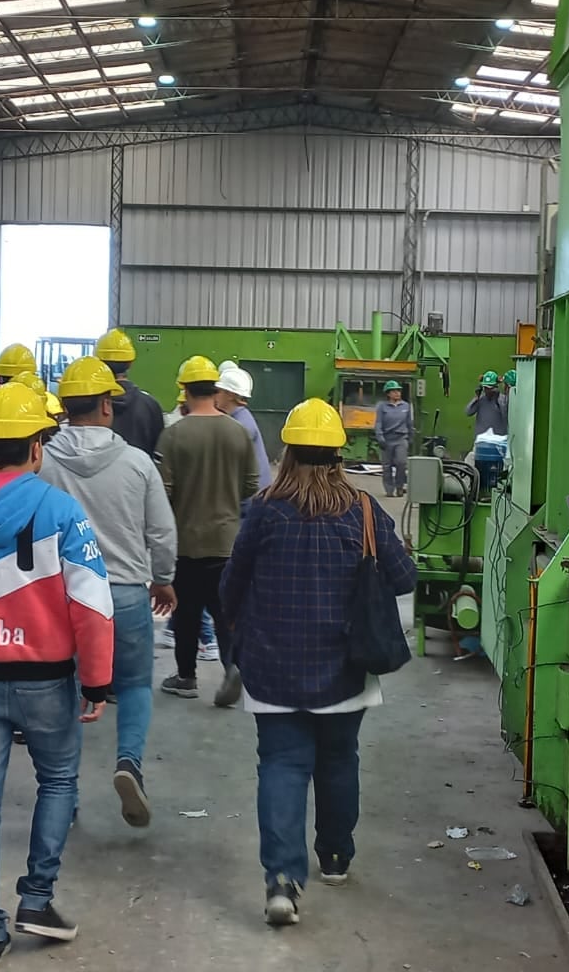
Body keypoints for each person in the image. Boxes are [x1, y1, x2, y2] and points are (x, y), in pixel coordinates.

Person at [0, 382, 115, 970]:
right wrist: (97, 680)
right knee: (57, 782)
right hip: (47, 678)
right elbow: (91, 605)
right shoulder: (59, 511)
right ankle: (36, 899)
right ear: (37, 447)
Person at [218, 399, 416, 927]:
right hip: (345, 667)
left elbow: (231, 585)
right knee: (337, 759)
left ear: (285, 452)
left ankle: (282, 882)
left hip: (271, 664)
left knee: (281, 764)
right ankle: (333, 858)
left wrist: (234, 642)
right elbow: (405, 579)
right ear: (338, 454)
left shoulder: (264, 509)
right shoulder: (364, 510)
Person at [39, 357, 178, 829]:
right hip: (123, 592)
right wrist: (162, 577)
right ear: (104, 405)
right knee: (136, 682)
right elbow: (161, 530)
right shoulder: (137, 463)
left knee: (67, 689)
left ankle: (65, 791)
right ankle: (128, 762)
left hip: (63, 596)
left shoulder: (43, 462)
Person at [158, 355, 260, 708]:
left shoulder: (173, 435)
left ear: (184, 391)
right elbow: (251, 485)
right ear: (216, 389)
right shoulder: (238, 432)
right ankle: (232, 665)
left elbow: (163, 492)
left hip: (185, 542)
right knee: (224, 612)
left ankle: (186, 676)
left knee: (186, 614)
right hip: (227, 541)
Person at [96, 328, 164, 459]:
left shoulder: (92, 405)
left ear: (99, 362)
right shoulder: (150, 406)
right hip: (141, 476)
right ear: (131, 363)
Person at [216, 361, 272, 491]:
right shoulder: (240, 418)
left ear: (230, 395)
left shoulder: (241, 425)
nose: (214, 395)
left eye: (218, 391)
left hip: (250, 500)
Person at [467, 371, 510, 494]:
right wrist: (476, 397)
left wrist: (498, 401)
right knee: (469, 461)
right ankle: (472, 491)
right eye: (486, 388)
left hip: (498, 447)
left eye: (490, 388)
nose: (488, 391)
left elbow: (506, 416)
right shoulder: (481, 400)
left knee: (499, 472)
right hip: (481, 445)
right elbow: (468, 411)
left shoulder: (502, 400)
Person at [373, 380, 414, 499]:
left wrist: (410, 437)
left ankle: (400, 486)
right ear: (388, 393)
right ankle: (389, 489)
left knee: (401, 463)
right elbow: (378, 423)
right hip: (387, 439)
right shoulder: (382, 407)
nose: (397, 393)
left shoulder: (406, 406)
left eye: (399, 390)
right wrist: (380, 437)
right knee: (387, 466)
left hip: (401, 438)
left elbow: (409, 423)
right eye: (394, 391)